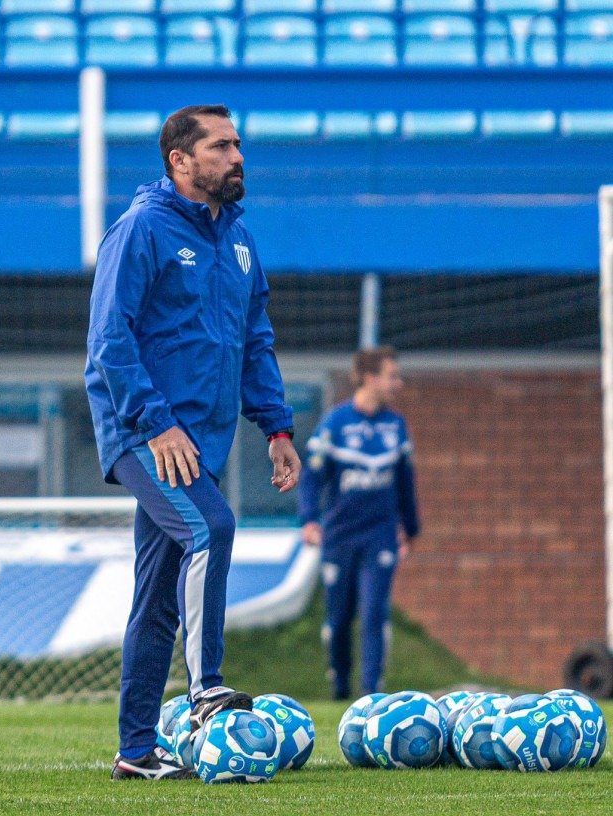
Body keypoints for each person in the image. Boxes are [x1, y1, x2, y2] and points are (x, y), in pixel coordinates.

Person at [85, 104, 301, 781]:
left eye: (239, 144)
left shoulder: (238, 239)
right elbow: (109, 343)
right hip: (143, 432)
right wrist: (155, 422)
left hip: (198, 440)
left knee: (154, 598)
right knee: (212, 528)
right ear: (181, 161)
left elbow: (253, 340)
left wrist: (278, 427)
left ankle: (137, 752)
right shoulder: (140, 230)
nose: (238, 157)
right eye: (222, 146)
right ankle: (206, 688)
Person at [298, 345, 420, 701]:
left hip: (379, 535)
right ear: (369, 378)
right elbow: (311, 478)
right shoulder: (335, 423)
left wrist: (410, 529)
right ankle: (339, 686)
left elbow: (406, 484)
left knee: (373, 611)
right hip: (339, 536)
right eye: (391, 376)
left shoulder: (396, 426)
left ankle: (371, 693)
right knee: (338, 618)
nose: (397, 383)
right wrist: (308, 520)